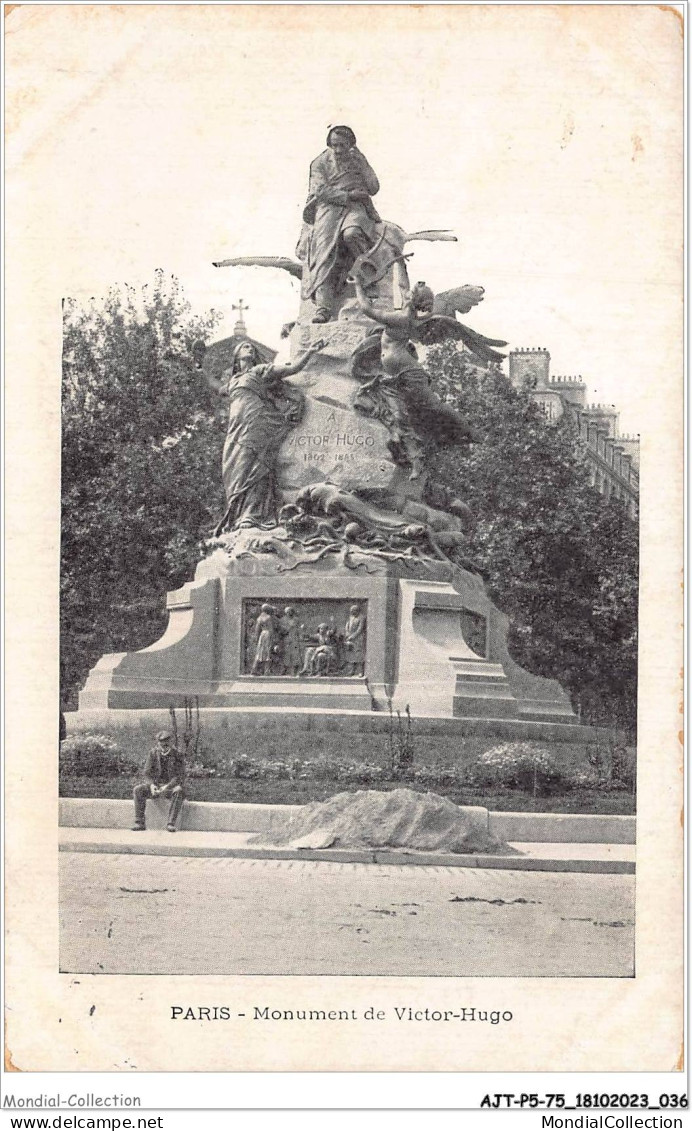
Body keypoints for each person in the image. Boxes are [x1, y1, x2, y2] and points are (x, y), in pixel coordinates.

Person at [352, 278, 477, 479]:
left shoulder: (401, 318)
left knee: (431, 406)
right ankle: (416, 459)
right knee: (402, 417)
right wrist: (400, 264)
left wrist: (358, 283)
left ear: (411, 300)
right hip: (395, 377)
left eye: (409, 295)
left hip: (410, 374)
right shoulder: (410, 316)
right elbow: (402, 284)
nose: (406, 294)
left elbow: (367, 309)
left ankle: (469, 432)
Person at [207, 339, 324, 534]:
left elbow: (291, 368)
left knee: (252, 464)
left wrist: (309, 352)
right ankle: (237, 514)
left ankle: (251, 515)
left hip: (256, 422)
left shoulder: (260, 370)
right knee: (232, 468)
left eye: (252, 347)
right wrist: (199, 365)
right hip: (236, 427)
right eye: (245, 347)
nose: (250, 348)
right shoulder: (234, 381)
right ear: (236, 357)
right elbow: (213, 384)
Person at [296, 125, 381, 323]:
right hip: (329, 207)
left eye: (343, 145)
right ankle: (324, 307)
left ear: (351, 144)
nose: (339, 150)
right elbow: (320, 191)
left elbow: (374, 187)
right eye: (334, 145)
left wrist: (364, 165)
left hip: (356, 207)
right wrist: (347, 195)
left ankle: (368, 280)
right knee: (324, 248)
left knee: (351, 234)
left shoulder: (357, 159)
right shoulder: (319, 163)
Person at [132, 731, 185, 833]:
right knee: (138, 790)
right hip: (156, 786)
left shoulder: (178, 755)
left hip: (170, 787)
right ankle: (139, 822)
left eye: (166, 743)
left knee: (178, 791)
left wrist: (167, 786)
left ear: (171, 742)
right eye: (161, 743)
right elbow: (147, 773)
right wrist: (151, 785)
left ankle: (171, 823)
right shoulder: (152, 754)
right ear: (158, 743)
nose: (164, 746)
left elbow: (179, 775)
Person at [251, 603, 276, 676]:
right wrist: (273, 638)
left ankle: (254, 669)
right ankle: (267, 671)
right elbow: (271, 629)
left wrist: (256, 638)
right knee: (268, 652)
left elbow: (257, 630)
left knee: (260, 652)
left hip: (262, 635)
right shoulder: (268, 617)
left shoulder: (259, 618)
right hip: (267, 634)